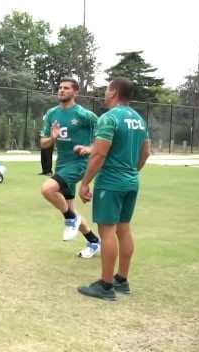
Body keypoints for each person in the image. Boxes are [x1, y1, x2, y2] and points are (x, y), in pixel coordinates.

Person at [76, 77, 151, 301]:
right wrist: (131, 172)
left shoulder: (109, 118)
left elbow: (99, 153)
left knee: (107, 232)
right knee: (124, 229)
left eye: (107, 89)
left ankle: (106, 286)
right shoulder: (138, 119)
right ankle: (122, 279)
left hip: (110, 183)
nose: (105, 93)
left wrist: (86, 182)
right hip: (131, 181)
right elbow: (145, 153)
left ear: (114, 92)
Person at [40, 78, 101, 258]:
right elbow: (43, 143)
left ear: (75, 93)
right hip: (62, 163)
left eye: (66, 88)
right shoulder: (52, 113)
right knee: (69, 207)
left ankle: (70, 219)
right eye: (60, 88)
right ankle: (94, 242)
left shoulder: (84, 114)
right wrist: (52, 138)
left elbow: (104, 134)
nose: (61, 90)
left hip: (79, 163)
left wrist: (89, 148)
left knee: (47, 189)